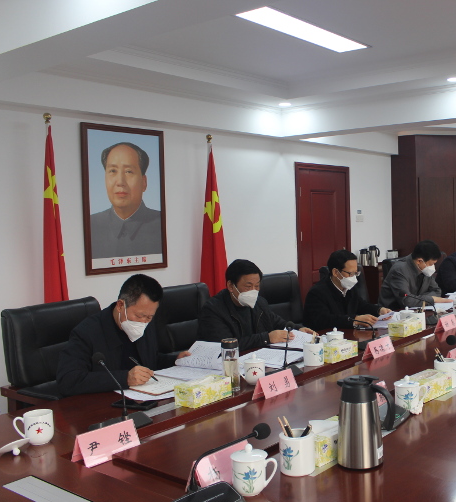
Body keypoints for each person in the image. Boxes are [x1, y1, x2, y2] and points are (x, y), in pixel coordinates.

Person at [57, 274, 190, 396]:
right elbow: (68, 381)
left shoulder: (146, 324)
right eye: (139, 316)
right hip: (103, 404)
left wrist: (175, 360)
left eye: (149, 317)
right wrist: (124, 378)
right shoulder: (87, 332)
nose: (143, 322)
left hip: (143, 399)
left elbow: (150, 361)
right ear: (120, 305)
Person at [198, 259, 316, 351]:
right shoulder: (213, 310)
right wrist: (266, 338)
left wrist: (298, 329)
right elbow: (225, 345)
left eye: (257, 286)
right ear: (230, 286)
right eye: (248, 286)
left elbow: (277, 323)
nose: (253, 291)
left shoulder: (259, 302)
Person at [90, 142, 162, 259]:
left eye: (128, 171)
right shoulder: (90, 225)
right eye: (113, 171)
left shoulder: (163, 224)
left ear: (144, 182)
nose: (120, 182)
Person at [303, 250, 392, 330]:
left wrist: (379, 310)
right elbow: (324, 320)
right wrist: (355, 320)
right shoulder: (317, 293)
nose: (353, 277)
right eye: (350, 273)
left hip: (348, 335)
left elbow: (361, 305)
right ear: (335, 272)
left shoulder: (349, 287)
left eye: (356, 273)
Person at [378, 240, 454, 310]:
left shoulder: (425, 269)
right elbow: (407, 301)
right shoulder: (399, 270)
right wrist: (432, 299)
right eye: (431, 264)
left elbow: (437, 291)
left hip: (418, 310)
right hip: (394, 313)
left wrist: (419, 299)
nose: (432, 267)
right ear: (419, 261)